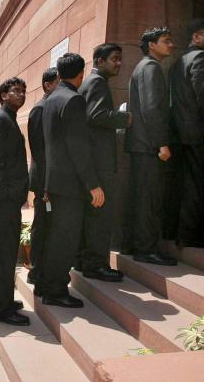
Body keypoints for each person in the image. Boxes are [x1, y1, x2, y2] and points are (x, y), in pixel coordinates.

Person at [38, 53, 104, 308]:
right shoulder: (74, 99)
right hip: (70, 184)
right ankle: (55, 291)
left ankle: (47, 285)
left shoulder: (51, 98)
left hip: (54, 182)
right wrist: (92, 184)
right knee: (65, 239)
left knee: (55, 237)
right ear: (81, 73)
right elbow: (78, 148)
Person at [77, 44, 132, 282]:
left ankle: (83, 261)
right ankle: (97, 265)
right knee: (101, 216)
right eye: (114, 59)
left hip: (93, 161)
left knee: (91, 215)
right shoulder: (97, 82)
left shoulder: (89, 82)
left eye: (120, 59)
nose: (119, 64)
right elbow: (97, 116)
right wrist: (125, 117)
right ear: (99, 61)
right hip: (100, 163)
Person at [125, 28, 178, 266]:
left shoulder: (145, 67)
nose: (171, 45)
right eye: (166, 41)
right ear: (151, 45)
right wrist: (162, 144)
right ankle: (145, 250)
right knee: (149, 199)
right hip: (149, 147)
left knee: (143, 198)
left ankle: (138, 245)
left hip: (142, 146)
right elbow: (152, 108)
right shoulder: (150, 68)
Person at [170, 17, 204, 248]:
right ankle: (190, 235)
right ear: (196, 36)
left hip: (178, 132)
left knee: (183, 184)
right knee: (196, 184)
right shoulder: (203, 57)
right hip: (196, 132)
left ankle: (178, 232)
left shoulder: (177, 62)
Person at [0, 78, 30, 326]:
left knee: (8, 252)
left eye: (23, 91)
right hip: (5, 200)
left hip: (11, 200)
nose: (21, 95)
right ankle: (1, 308)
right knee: (3, 253)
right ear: (3, 95)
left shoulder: (9, 119)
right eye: (15, 91)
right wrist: (5, 196)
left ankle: (2, 300)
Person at [26, 68, 59, 286]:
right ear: (47, 85)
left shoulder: (51, 106)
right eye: (58, 82)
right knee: (41, 225)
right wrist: (46, 184)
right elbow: (40, 152)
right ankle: (36, 270)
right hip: (43, 182)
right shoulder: (40, 110)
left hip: (52, 180)